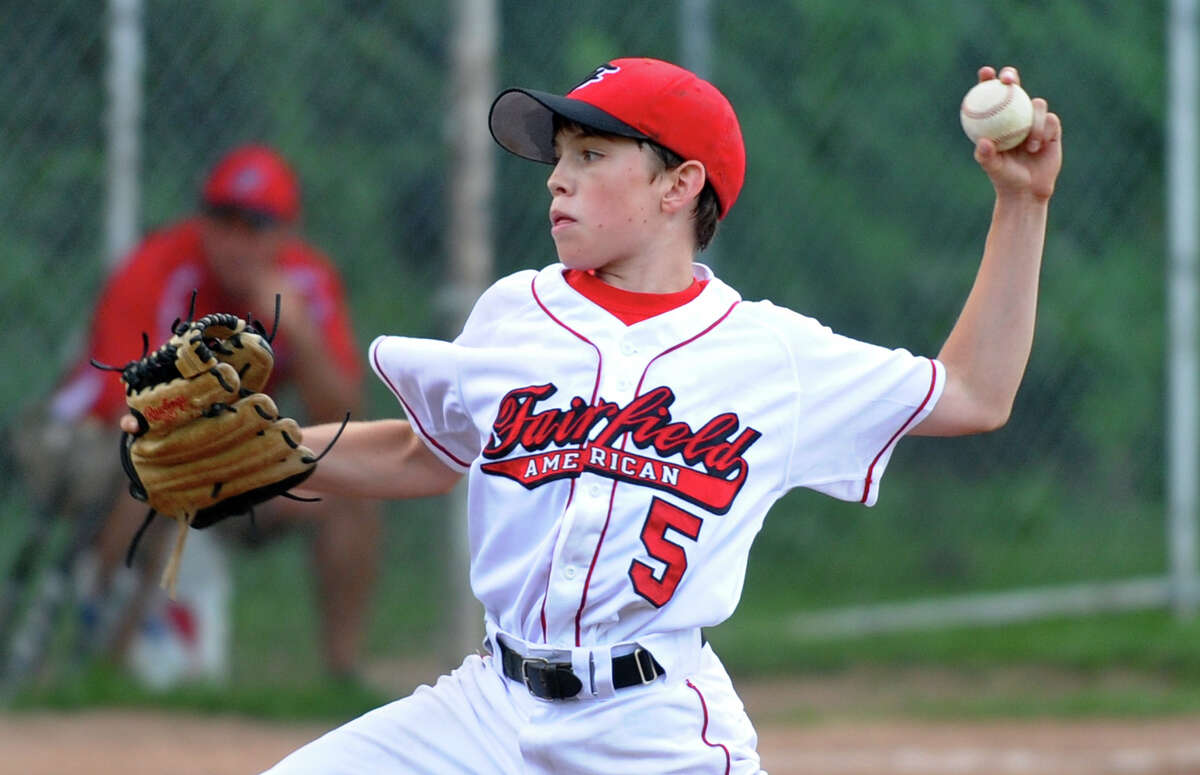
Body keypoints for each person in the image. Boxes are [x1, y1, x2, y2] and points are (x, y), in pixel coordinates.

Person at [148, 57, 1057, 772]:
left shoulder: (768, 354)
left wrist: (1021, 204)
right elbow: (431, 454)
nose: (558, 180)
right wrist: (273, 450)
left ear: (679, 186)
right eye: (559, 159)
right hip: (487, 709)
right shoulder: (516, 310)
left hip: (653, 727)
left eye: (591, 156)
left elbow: (975, 393)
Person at [37, 144, 380, 685]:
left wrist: (300, 335)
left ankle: (340, 677)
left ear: (287, 232)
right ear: (203, 220)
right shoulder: (161, 267)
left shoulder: (305, 284)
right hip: (81, 441)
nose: (237, 240)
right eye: (224, 219)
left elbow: (345, 420)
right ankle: (103, 666)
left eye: (257, 224)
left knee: (354, 488)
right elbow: (122, 405)